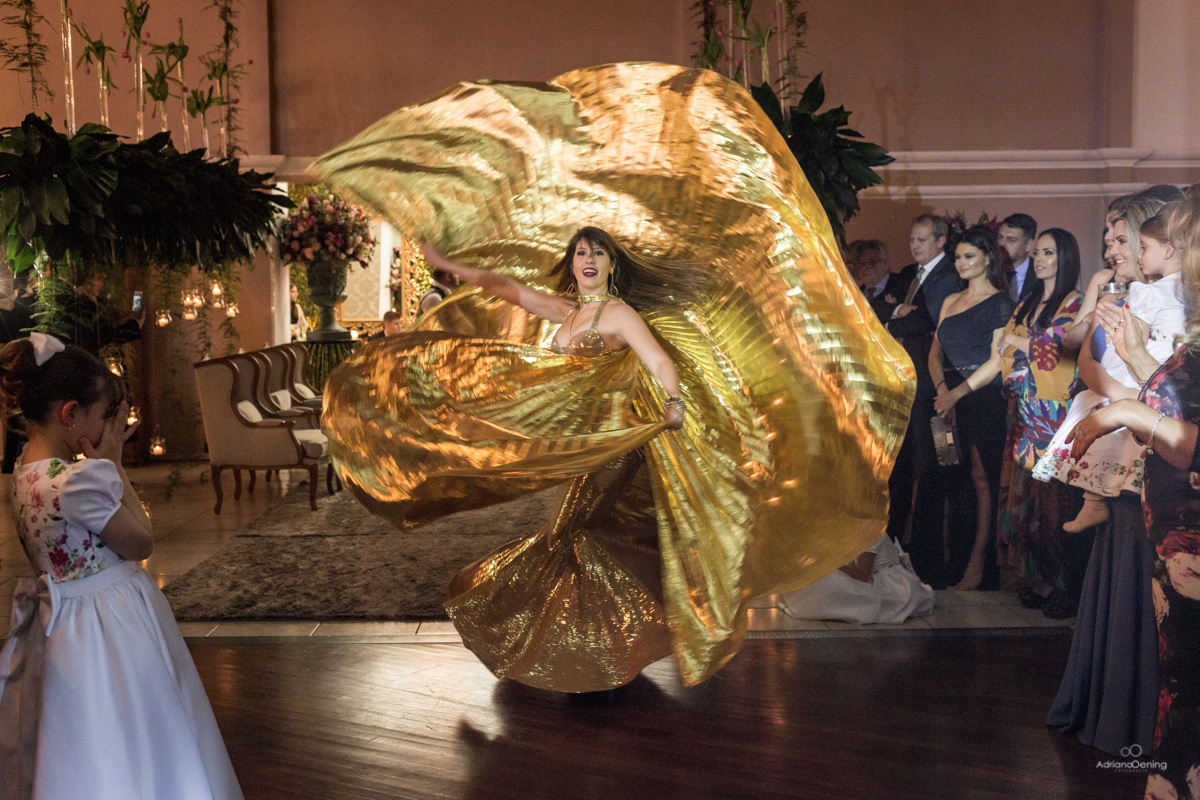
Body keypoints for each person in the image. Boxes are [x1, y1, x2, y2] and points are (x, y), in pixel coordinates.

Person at [0, 334, 242, 799]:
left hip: (61, 630)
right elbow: (140, 541)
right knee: (137, 723)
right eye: (104, 416)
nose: (112, 425)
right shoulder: (76, 481)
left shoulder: (22, 472)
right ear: (71, 415)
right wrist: (112, 463)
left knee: (81, 732)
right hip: (110, 622)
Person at [1062, 191, 1200, 797]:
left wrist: (1125, 406)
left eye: (1185, 242)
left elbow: (1188, 440)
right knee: (1184, 681)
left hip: (1188, 525)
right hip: (1175, 523)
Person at [1035, 197, 1183, 531]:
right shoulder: (1117, 295)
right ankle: (1094, 500)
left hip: (1158, 404)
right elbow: (1079, 356)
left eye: (1121, 241)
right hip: (1118, 392)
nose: (1111, 251)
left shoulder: (1162, 293)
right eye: (1108, 241)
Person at [995, 229, 1084, 610]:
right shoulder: (1028, 299)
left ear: (1065, 258)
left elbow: (1059, 349)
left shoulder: (1075, 301)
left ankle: (1064, 584)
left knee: (1054, 502)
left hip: (1053, 414)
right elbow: (1004, 345)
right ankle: (1038, 577)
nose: (1040, 260)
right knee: (1026, 500)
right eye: (1037, 254)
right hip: (1022, 409)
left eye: (1049, 253)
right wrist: (1019, 346)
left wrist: (1018, 343)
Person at [929, 225, 1017, 589]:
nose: (961, 263)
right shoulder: (950, 300)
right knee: (953, 478)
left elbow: (998, 362)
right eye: (958, 257)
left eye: (969, 256)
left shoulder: (1001, 303)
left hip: (984, 399)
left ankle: (981, 566)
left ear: (987, 259)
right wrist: (942, 392)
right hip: (948, 400)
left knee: (984, 480)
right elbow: (934, 356)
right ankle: (952, 562)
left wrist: (957, 393)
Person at [884, 214, 963, 585]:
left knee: (938, 466)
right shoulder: (911, 275)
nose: (915, 245)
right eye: (912, 239)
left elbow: (927, 322)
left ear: (940, 241)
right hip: (914, 384)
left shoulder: (946, 274)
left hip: (936, 388)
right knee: (911, 465)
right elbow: (891, 308)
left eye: (921, 239)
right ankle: (905, 547)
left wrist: (893, 319)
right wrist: (899, 311)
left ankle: (934, 557)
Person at [775, 533, 934, 625]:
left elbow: (862, 574)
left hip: (889, 585)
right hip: (866, 578)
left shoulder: (868, 532)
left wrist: (828, 564)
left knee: (827, 581)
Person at [848, 239, 912, 322]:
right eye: (860, 263)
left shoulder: (902, 285)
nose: (863, 268)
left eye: (870, 263)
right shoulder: (856, 293)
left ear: (885, 264)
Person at [998, 213, 1039, 302]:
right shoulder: (988, 270)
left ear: (1028, 245)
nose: (1002, 244)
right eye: (1000, 237)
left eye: (1011, 240)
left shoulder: (1040, 274)